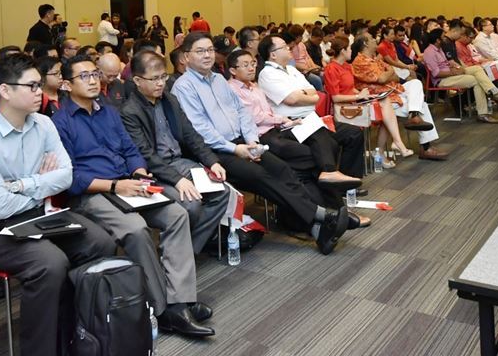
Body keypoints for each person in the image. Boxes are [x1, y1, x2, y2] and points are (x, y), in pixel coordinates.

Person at [0, 54, 116, 356]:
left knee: (100, 241)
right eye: (31, 86)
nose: (39, 92)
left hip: (37, 215)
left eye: (39, 85)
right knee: (49, 262)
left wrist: (21, 185)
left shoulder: (43, 124)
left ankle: (77, 335)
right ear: (5, 91)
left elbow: (66, 175)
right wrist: (40, 184)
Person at [53, 55, 214, 337]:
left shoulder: (108, 112)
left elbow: (130, 150)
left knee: (177, 214)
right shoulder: (60, 122)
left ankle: (180, 300)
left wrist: (139, 173)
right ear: (66, 85)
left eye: (95, 74)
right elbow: (71, 177)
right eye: (84, 77)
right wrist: (116, 186)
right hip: (93, 193)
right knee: (136, 229)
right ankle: (164, 310)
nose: (93, 81)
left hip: (128, 184)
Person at [172, 32, 348, 254]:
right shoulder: (183, 87)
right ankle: (321, 216)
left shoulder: (218, 79)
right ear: (186, 56)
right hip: (214, 151)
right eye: (200, 51)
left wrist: (251, 141)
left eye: (209, 50)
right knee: (260, 176)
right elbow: (199, 129)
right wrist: (236, 148)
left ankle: (316, 227)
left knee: (281, 168)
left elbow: (242, 112)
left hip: (243, 141)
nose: (207, 55)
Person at [121, 51, 231, 251]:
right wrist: (178, 180)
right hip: (155, 172)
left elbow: (190, 134)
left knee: (221, 192)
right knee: (191, 203)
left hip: (180, 162)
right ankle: (181, 252)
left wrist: (212, 161)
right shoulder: (130, 111)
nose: (161, 83)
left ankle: (188, 249)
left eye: (163, 77)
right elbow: (146, 155)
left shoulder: (169, 99)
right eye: (154, 79)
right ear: (137, 80)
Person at [255, 36, 366, 179]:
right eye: (284, 46)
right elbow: (292, 99)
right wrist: (304, 95)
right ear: (273, 55)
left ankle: (348, 184)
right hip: (291, 123)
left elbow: (315, 93)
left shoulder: (291, 69)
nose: (289, 48)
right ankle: (329, 173)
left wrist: (301, 94)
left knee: (354, 133)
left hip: (312, 118)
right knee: (323, 136)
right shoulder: (267, 74)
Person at [349, 32, 447, 160]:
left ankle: (414, 115)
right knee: (422, 105)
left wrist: (389, 74)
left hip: (394, 91)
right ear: (365, 43)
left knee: (416, 83)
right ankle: (425, 145)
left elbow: (395, 76)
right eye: (372, 38)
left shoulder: (374, 59)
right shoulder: (360, 62)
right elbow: (382, 79)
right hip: (381, 99)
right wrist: (389, 72)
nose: (375, 40)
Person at [323, 36, 415, 161]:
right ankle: (391, 147)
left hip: (355, 102)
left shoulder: (346, 66)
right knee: (386, 112)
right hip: (344, 109)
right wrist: (358, 96)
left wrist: (366, 95)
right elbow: (335, 98)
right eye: (349, 48)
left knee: (385, 105)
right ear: (343, 51)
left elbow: (351, 88)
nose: (351, 50)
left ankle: (393, 145)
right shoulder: (331, 69)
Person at [421, 30, 498, 124]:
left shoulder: (439, 49)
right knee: (476, 80)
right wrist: (454, 73)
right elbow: (436, 73)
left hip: (451, 73)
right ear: (438, 40)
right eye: (443, 37)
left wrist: (458, 68)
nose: (445, 38)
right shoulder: (429, 52)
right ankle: (483, 113)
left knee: (477, 69)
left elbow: (447, 64)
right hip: (442, 80)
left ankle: (493, 91)